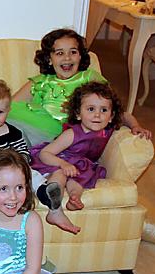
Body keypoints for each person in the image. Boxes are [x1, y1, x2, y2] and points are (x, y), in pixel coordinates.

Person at [0, 79, 78, 233]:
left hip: (8, 171)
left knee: (30, 172)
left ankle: (45, 192)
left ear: (7, 111)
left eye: (0, 112)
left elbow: (23, 151)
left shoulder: (13, 132)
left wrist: (21, 162)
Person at [8, 28, 151, 146]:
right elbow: (10, 107)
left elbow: (113, 110)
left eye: (73, 52)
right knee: (4, 120)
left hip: (68, 137)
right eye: (59, 53)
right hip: (36, 132)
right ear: (49, 59)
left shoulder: (89, 78)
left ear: (80, 56)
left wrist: (135, 125)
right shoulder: (40, 82)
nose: (67, 58)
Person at [29, 81, 128, 233]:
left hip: (80, 165)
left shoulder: (107, 130)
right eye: (90, 109)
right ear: (77, 113)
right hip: (57, 160)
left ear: (111, 116)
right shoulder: (72, 134)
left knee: (81, 176)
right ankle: (54, 207)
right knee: (61, 175)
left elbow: (126, 116)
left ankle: (74, 198)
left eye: (104, 110)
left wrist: (136, 127)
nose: (97, 115)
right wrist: (63, 164)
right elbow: (45, 153)